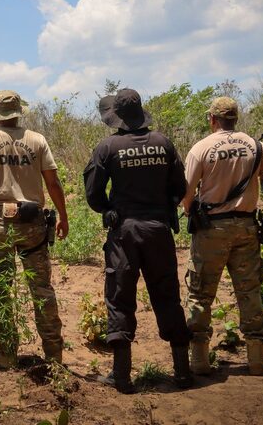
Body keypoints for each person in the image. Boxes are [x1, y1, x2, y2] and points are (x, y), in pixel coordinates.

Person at [83, 89, 193, 394]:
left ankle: (122, 377)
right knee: (167, 295)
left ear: (116, 116)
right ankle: (182, 374)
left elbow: (93, 193)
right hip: (158, 231)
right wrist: (163, 207)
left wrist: (108, 210)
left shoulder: (107, 147)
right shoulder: (164, 143)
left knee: (119, 296)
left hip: (124, 233)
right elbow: (180, 186)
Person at [182, 96, 263, 376]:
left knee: (201, 293)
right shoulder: (255, 145)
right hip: (246, 227)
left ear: (212, 119)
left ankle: (199, 360)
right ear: (235, 118)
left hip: (211, 230)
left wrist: (190, 211)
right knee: (249, 291)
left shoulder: (202, 148)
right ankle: (256, 360)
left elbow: (186, 193)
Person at [0, 90, 68, 368]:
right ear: (19, 112)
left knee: (0, 289)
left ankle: (7, 352)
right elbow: (53, 183)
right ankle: (54, 355)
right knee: (42, 288)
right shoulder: (37, 140)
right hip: (33, 222)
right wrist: (63, 216)